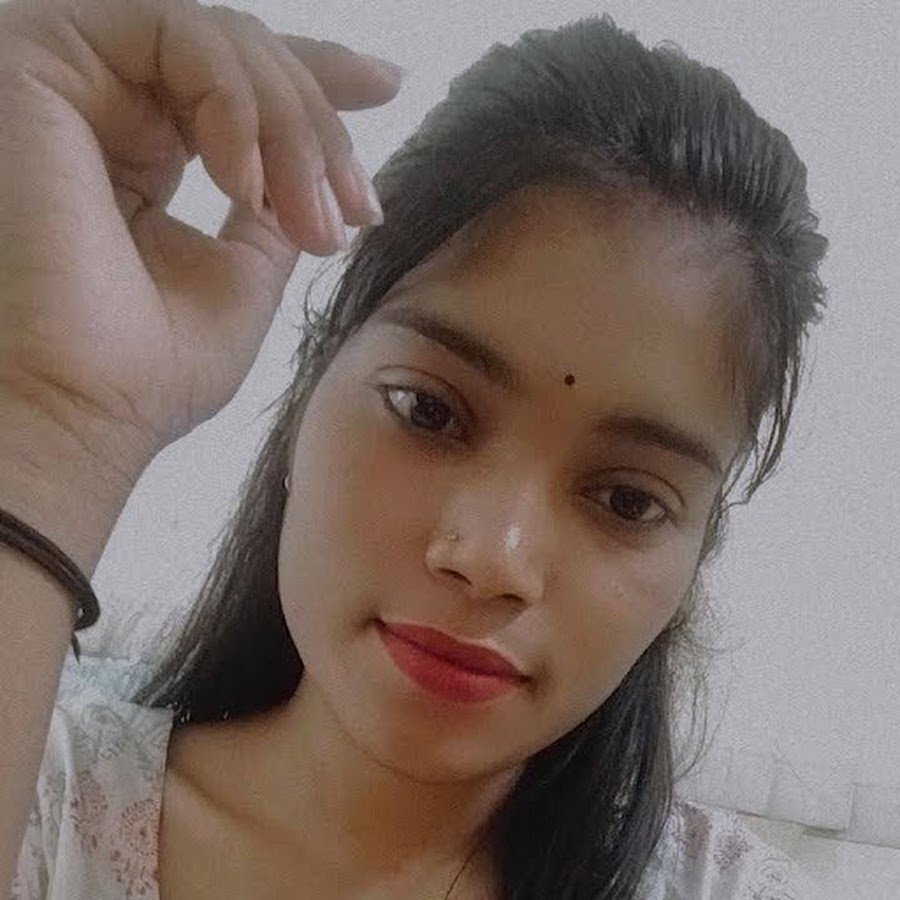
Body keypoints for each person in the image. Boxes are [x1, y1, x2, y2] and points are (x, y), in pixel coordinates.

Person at [0, 0, 830, 897]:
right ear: (312, 387)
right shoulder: (41, 808)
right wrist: (58, 420)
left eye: (628, 500)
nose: (492, 559)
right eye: (429, 412)